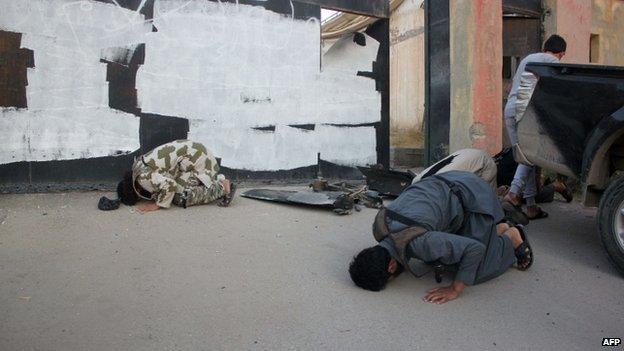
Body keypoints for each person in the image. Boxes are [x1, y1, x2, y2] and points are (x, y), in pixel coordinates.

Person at [348, 171, 532, 304]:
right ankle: (496, 228)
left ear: (391, 266)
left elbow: (474, 249)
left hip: (475, 195)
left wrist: (455, 289)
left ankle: (511, 236)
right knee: (440, 257)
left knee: (476, 271)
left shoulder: (420, 243)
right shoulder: (378, 227)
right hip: (450, 179)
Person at [503, 34, 567, 219]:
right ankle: (514, 193)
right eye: (561, 56)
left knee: (526, 157)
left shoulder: (528, 59)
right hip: (526, 112)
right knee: (529, 156)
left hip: (510, 109)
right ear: (561, 53)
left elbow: (514, 86)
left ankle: (530, 206)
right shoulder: (552, 60)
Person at [117, 140, 236, 213]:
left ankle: (222, 187)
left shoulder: (143, 179)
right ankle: (214, 180)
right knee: (173, 192)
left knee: (180, 198)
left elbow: (170, 185)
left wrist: (157, 204)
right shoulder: (137, 166)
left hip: (200, 162)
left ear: (136, 189)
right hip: (195, 156)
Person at [412, 148, 497, 191]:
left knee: (486, 197)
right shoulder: (416, 180)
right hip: (468, 154)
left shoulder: (435, 187)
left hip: (483, 160)